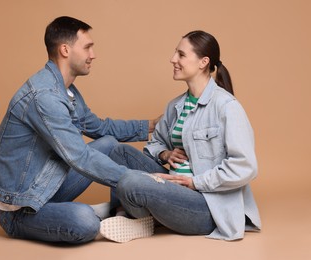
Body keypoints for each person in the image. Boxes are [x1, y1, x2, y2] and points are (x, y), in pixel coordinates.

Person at [0, 16, 161, 244]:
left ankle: (117, 212)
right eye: (87, 47)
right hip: (22, 208)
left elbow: (100, 127)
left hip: (47, 184)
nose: (93, 54)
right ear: (65, 50)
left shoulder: (67, 91)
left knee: (108, 143)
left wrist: (150, 126)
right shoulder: (44, 96)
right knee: (84, 221)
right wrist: (138, 179)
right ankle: (100, 214)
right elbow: (80, 156)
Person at [100, 30, 261, 242]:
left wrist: (194, 182)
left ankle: (123, 213)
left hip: (206, 206)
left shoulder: (227, 107)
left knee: (130, 182)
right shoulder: (175, 106)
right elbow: (154, 144)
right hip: (172, 189)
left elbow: (245, 166)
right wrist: (165, 154)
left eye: (181, 55)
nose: (172, 59)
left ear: (203, 62)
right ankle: (131, 217)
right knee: (117, 151)